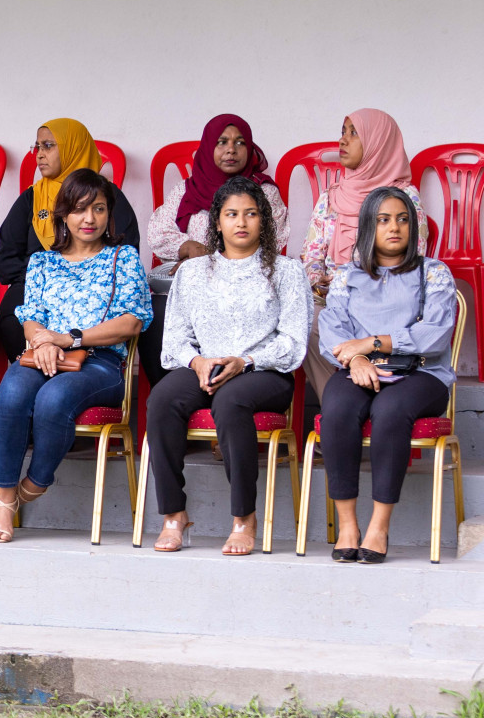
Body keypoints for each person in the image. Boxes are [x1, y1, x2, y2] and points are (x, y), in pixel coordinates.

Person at [0, 169, 151, 544]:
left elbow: (132, 322)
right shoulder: (43, 262)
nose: (89, 219)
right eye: (78, 209)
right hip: (43, 356)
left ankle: (35, 484)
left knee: (54, 397)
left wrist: (68, 339)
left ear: (110, 215)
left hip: (99, 365)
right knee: (10, 392)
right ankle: (6, 500)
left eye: (99, 209)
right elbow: (29, 315)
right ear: (62, 215)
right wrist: (42, 341)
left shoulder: (123, 259)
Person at [145, 177, 311, 555]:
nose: (241, 222)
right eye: (231, 214)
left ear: (263, 222)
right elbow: (173, 341)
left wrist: (247, 361)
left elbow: (293, 341)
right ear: (216, 223)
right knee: (163, 398)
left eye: (251, 214)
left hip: (263, 371)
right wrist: (197, 361)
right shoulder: (192, 271)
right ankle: (173, 513)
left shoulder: (286, 271)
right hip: (205, 366)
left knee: (231, 401)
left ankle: (243, 517)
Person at [318, 187, 456, 565]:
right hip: (359, 370)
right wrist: (355, 360)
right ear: (367, 227)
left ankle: (379, 526)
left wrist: (371, 343)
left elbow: (435, 334)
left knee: (391, 412)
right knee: (339, 408)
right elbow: (331, 328)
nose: (394, 227)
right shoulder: (349, 276)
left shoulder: (433, 273)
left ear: (414, 226)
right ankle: (348, 526)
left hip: (422, 374)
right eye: (383, 220)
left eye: (403, 219)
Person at [141, 114, 288, 385]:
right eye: (222, 142)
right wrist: (187, 246)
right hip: (192, 287)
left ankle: (226, 379)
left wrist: (210, 257)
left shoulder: (264, 193)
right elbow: (157, 233)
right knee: (154, 312)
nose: (231, 149)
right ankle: (173, 387)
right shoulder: (187, 188)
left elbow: (271, 240)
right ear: (208, 148)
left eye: (240, 142)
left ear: (251, 149)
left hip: (245, 286)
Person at [300, 108, 423, 400]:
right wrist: (319, 280)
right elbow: (311, 256)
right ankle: (336, 405)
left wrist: (357, 282)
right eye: (343, 132)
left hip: (385, 298)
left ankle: (360, 404)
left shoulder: (405, 197)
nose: (343, 141)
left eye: (354, 133)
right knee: (305, 321)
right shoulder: (331, 197)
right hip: (333, 298)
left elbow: (411, 259)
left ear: (379, 143)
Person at [0, 119, 139, 361]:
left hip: (96, 285)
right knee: (12, 321)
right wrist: (43, 281)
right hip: (37, 285)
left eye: (48, 146)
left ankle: (81, 369)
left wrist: (83, 274)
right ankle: (38, 366)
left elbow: (126, 251)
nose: (39, 155)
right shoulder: (33, 197)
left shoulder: (108, 196)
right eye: (37, 147)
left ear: (74, 148)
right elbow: (6, 261)